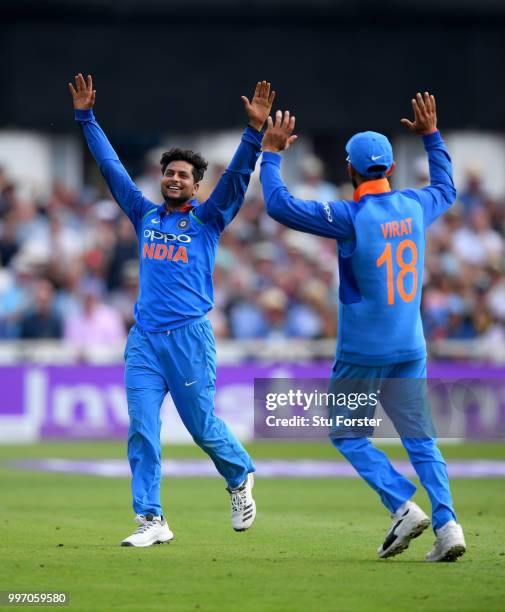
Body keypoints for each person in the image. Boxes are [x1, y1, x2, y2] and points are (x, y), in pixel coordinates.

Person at [69, 73, 275, 546]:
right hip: (144, 339)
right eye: (169, 172)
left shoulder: (208, 219)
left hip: (188, 338)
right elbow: (110, 168)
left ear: (197, 185)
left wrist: (254, 133)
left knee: (201, 426)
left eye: (183, 174)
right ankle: (152, 519)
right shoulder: (144, 215)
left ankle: (240, 474)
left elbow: (238, 179)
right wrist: (86, 119)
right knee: (142, 428)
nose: (174, 178)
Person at [259, 93, 466, 562]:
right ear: (391, 165)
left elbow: (278, 204)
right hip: (410, 346)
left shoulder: (349, 216)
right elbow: (447, 187)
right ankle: (448, 523)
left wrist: (270, 154)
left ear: (350, 170)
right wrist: (432, 137)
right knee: (420, 438)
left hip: (362, 351)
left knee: (347, 433)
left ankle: (401, 505)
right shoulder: (416, 205)